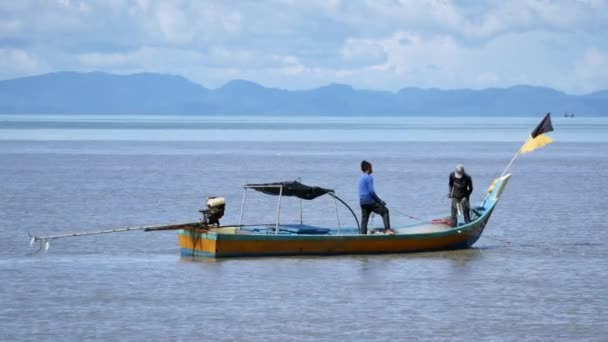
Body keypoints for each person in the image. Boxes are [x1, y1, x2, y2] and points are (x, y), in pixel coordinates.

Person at [358, 160, 394, 235]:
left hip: (362, 202)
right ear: (368, 168)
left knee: (364, 220)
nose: (372, 169)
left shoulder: (360, 178)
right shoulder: (369, 177)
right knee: (385, 211)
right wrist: (380, 201)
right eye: (371, 167)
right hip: (369, 201)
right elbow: (371, 192)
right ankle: (387, 230)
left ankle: (362, 235)